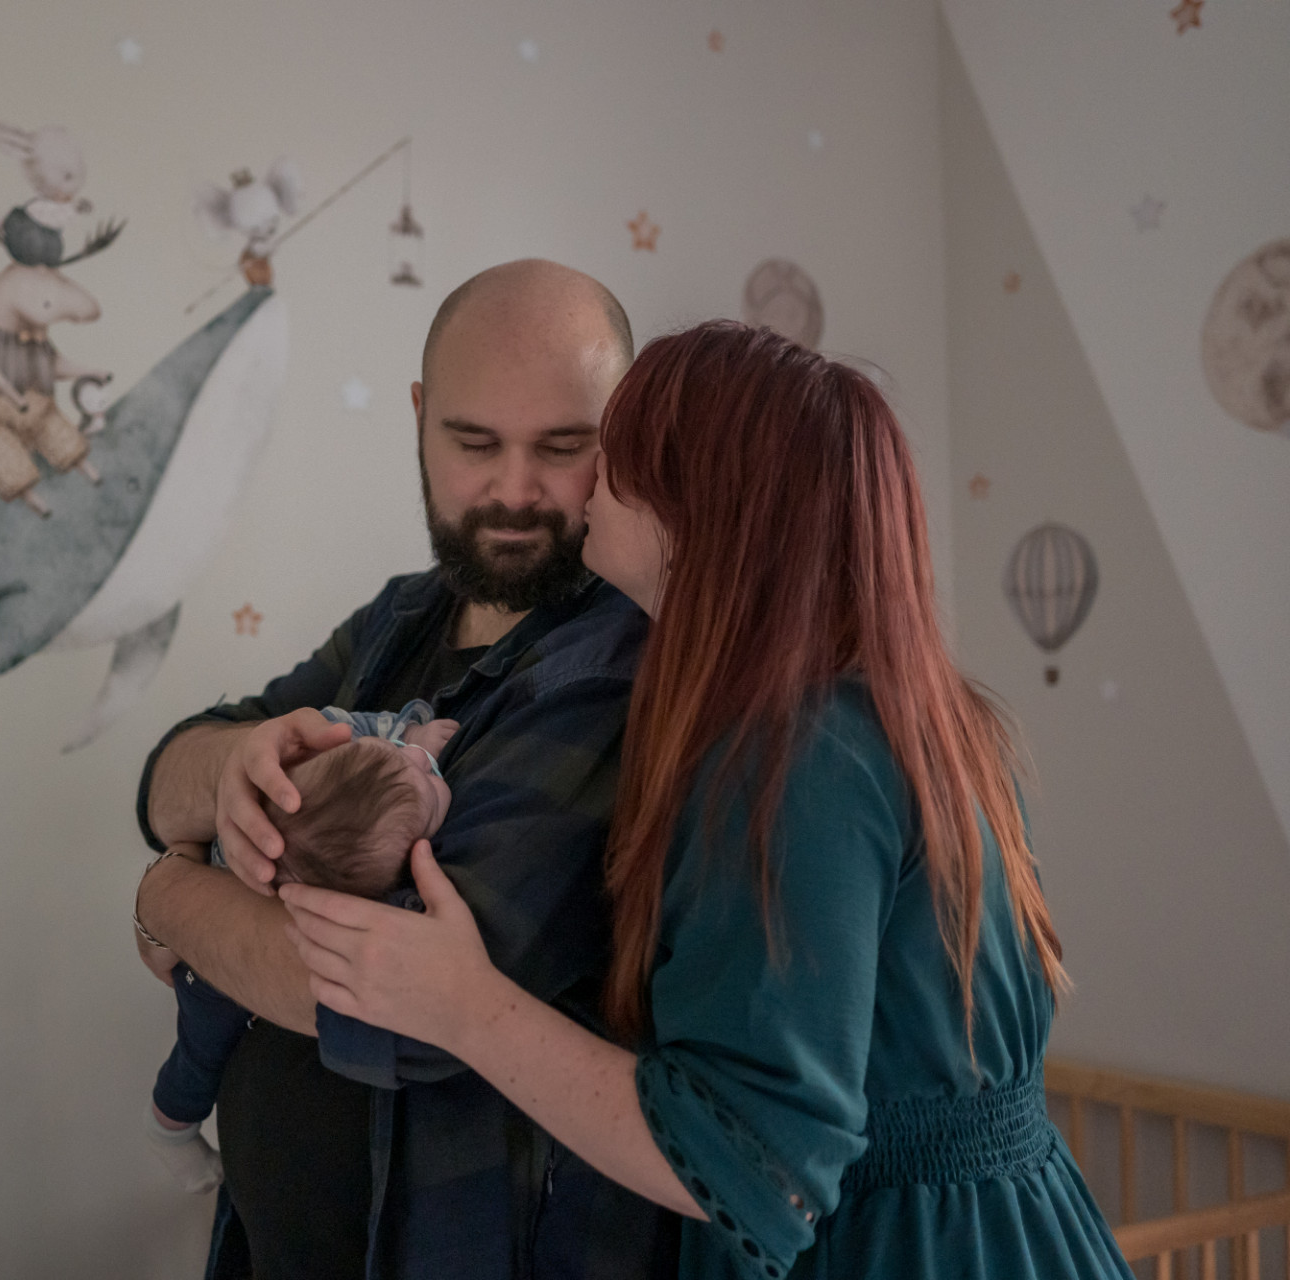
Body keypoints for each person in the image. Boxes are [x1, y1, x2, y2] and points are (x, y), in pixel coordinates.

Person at [280, 320, 1136, 1280]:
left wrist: (467, 1007)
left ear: (699, 504)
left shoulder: (796, 754)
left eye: (617, 456)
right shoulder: (913, 713)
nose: (587, 483)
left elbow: (758, 1168)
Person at [132, 260, 679, 1279]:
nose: (514, 490)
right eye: (474, 442)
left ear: (625, 437)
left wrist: (171, 893)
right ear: (422, 418)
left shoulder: (622, 669)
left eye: (563, 446)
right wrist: (236, 763)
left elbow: (392, 997)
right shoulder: (401, 617)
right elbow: (167, 776)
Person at [145, 702, 457, 1195]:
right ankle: (169, 1126)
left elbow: (372, 741)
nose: (422, 761)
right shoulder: (342, 758)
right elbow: (160, 784)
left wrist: (411, 734)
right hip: (205, 976)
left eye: (416, 768)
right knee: (200, 1054)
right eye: (405, 759)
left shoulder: (356, 758)